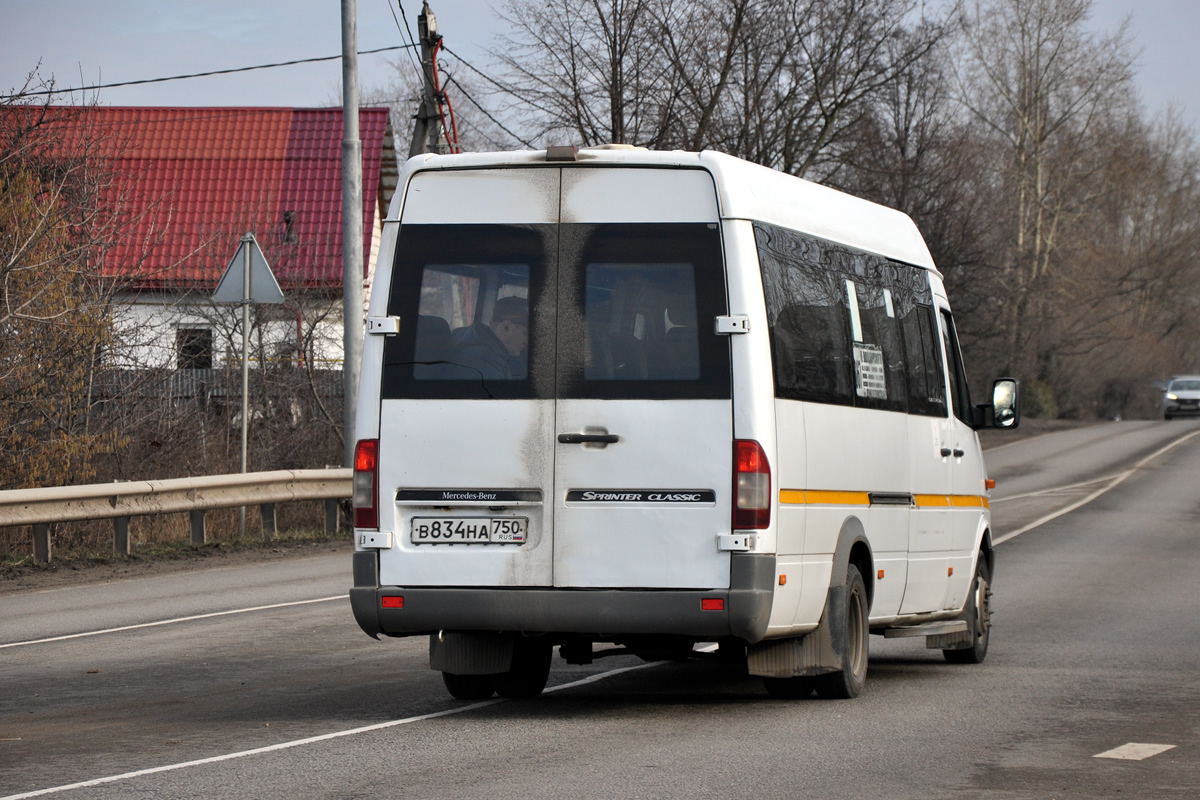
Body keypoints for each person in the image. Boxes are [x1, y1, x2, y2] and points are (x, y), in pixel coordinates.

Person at [453, 295, 528, 379]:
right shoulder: (486, 365)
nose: (527, 341)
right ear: (505, 327)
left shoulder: (467, 340)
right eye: (525, 333)